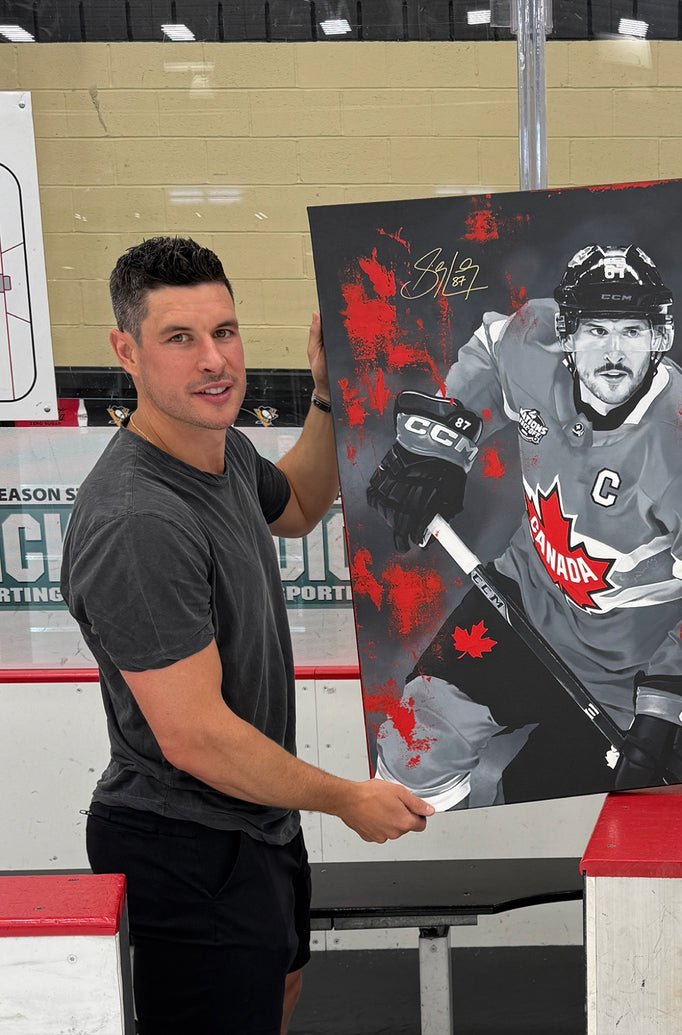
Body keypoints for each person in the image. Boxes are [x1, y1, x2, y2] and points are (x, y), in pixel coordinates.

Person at [60, 237, 434, 1035]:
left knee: (278, 995)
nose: (213, 360)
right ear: (126, 351)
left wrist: (330, 396)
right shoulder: (139, 519)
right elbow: (195, 737)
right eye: (179, 338)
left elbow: (297, 502)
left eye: (223, 331)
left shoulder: (217, 449)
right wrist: (345, 799)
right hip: (184, 841)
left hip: (256, 822)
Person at [366, 243, 682, 808]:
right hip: (522, 601)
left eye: (631, 332)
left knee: (545, 809)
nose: (613, 352)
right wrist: (442, 447)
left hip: (625, 671)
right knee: (412, 748)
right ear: (565, 334)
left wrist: (670, 708)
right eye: (595, 331)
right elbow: (490, 356)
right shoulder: (531, 343)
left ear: (661, 337)